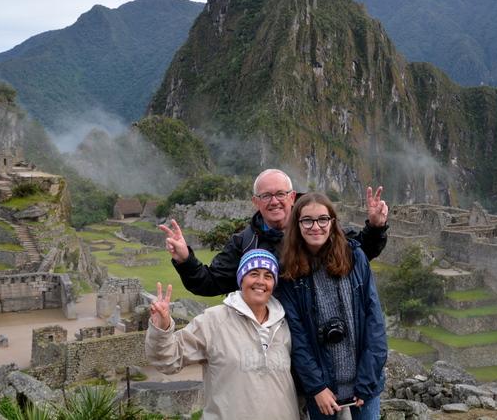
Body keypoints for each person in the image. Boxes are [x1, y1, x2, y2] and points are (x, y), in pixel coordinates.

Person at [161, 169, 389, 296]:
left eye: (280, 194)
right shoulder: (245, 243)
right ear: (255, 202)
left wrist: (375, 227)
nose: (274, 202)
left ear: (292, 197)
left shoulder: (316, 227)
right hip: (275, 344)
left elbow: (358, 252)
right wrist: (185, 259)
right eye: (266, 196)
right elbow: (209, 283)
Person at [146, 250, 300, 420]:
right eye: (253, 274)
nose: (260, 282)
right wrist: (162, 329)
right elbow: (168, 361)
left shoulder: (286, 324)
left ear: (275, 283)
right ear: (241, 279)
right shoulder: (214, 320)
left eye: (268, 276)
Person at [275, 193, 387, 419]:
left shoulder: (355, 257)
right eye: (307, 220)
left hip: (363, 383)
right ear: (297, 225)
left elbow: (374, 323)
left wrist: (366, 382)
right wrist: (316, 387)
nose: (315, 227)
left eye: (322, 219)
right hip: (321, 389)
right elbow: (297, 337)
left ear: (332, 222)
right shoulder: (288, 272)